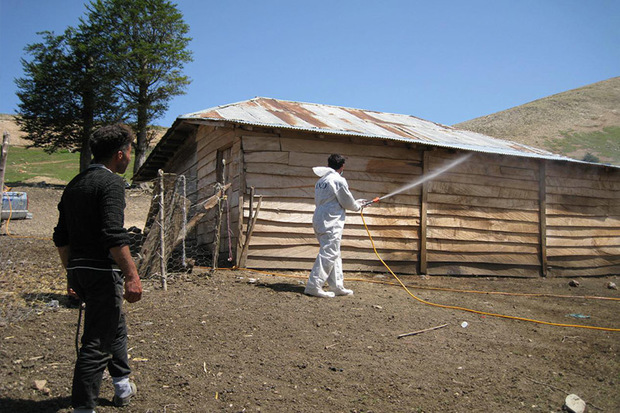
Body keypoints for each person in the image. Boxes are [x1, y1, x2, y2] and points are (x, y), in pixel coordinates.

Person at [53, 124, 143, 413]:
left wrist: (72, 274)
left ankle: (122, 385)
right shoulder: (111, 184)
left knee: (114, 326)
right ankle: (84, 408)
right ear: (119, 154)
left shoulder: (75, 184)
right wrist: (132, 275)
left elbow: (61, 237)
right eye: (130, 151)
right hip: (103, 272)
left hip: (81, 270)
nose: (130, 157)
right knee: (95, 343)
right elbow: (113, 235)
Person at [305, 154, 366, 298]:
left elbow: (334, 199)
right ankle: (313, 286)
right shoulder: (338, 180)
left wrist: (356, 203)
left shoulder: (322, 180)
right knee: (329, 253)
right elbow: (346, 201)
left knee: (334, 252)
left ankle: (337, 286)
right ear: (342, 166)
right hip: (331, 221)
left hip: (320, 218)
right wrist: (358, 207)